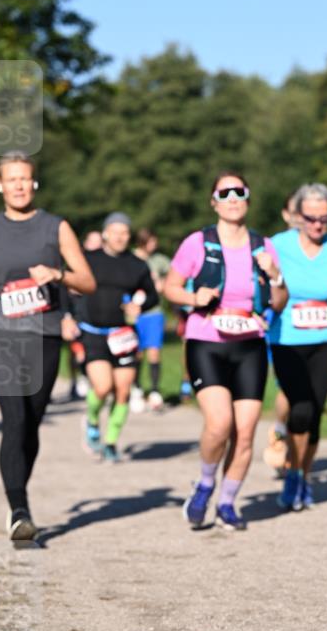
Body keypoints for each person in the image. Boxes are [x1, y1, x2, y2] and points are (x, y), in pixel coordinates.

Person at [0, 152, 95, 541]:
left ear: (34, 183)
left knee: (30, 423)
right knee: (14, 419)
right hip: (0, 332)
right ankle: (19, 509)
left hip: (44, 333)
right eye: (11, 179)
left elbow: (87, 281)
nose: (18, 185)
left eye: (24, 178)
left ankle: (18, 495)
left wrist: (57, 274)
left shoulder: (56, 227)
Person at [165, 172, 287, 530]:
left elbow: (280, 301)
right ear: (214, 202)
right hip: (207, 340)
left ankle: (228, 503)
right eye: (225, 193)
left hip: (249, 344)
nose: (233, 198)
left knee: (245, 432)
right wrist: (193, 297)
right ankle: (205, 484)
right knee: (219, 425)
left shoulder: (263, 246)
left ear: (247, 198)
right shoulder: (197, 243)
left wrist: (276, 275)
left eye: (239, 192)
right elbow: (170, 287)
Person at [269, 183, 327, 509]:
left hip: (325, 339)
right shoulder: (278, 245)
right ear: (297, 216)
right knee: (301, 408)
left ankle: (303, 477)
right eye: (311, 218)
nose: (318, 224)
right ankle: (293, 473)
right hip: (287, 339)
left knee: (315, 413)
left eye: (324, 218)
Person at [77, 213, 159, 462]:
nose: (120, 237)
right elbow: (69, 286)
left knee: (123, 391)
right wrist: (69, 316)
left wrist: (140, 306)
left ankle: (111, 441)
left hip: (123, 335)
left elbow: (153, 296)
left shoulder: (137, 265)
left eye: (124, 232)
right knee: (103, 387)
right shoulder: (88, 259)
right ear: (105, 233)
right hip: (94, 332)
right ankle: (92, 421)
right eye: (115, 232)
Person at [263, 190, 301, 474]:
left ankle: (294, 444)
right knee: (287, 387)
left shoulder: (323, 245)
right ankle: (279, 432)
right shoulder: (274, 245)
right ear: (286, 215)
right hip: (282, 326)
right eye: (295, 211)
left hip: (315, 330)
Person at [133, 227, 171, 411]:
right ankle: (136, 388)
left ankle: (155, 391)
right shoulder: (130, 259)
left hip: (154, 312)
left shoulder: (159, 260)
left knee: (154, 351)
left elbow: (175, 275)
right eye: (152, 241)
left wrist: (163, 283)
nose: (155, 244)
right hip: (134, 314)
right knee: (136, 352)